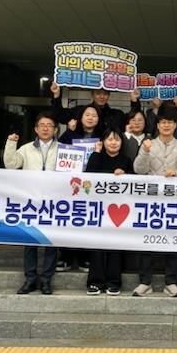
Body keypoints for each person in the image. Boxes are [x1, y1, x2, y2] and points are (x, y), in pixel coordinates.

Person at [132, 106, 177, 297]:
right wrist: (144, 152)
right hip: (151, 200)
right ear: (157, 125)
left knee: (172, 241)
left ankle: (171, 282)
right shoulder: (148, 144)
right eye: (163, 122)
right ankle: (144, 282)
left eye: (170, 122)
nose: (166, 125)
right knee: (147, 241)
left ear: (175, 125)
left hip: (174, 201)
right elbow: (138, 170)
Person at [3, 112, 60, 295]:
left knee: (52, 243)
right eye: (42, 125)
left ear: (55, 130)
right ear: (36, 129)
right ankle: (30, 279)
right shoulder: (26, 148)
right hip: (31, 201)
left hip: (54, 202)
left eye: (49, 125)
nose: (45, 128)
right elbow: (11, 164)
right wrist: (11, 143)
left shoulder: (64, 150)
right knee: (30, 241)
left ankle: (46, 280)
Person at [85, 128, 134, 296]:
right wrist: (96, 153)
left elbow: (135, 183)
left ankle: (114, 282)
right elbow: (88, 178)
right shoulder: (96, 157)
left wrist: (125, 175)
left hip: (120, 210)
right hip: (98, 209)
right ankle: (95, 282)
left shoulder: (126, 160)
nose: (113, 142)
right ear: (103, 142)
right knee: (97, 246)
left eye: (117, 139)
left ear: (122, 142)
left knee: (115, 246)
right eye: (109, 139)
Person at [56, 104, 104, 273]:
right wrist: (69, 131)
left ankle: (85, 258)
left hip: (92, 186)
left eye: (94, 115)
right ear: (81, 117)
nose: (90, 118)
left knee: (88, 221)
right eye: (87, 114)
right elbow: (59, 151)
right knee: (68, 220)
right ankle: (65, 256)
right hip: (71, 184)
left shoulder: (103, 135)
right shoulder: (70, 134)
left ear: (99, 119)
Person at [49, 81, 128, 135]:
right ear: (92, 94)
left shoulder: (117, 115)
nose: (102, 96)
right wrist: (56, 95)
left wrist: (133, 101)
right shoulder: (80, 111)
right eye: (98, 93)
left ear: (109, 95)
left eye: (105, 94)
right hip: (81, 150)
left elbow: (132, 120)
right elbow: (59, 115)